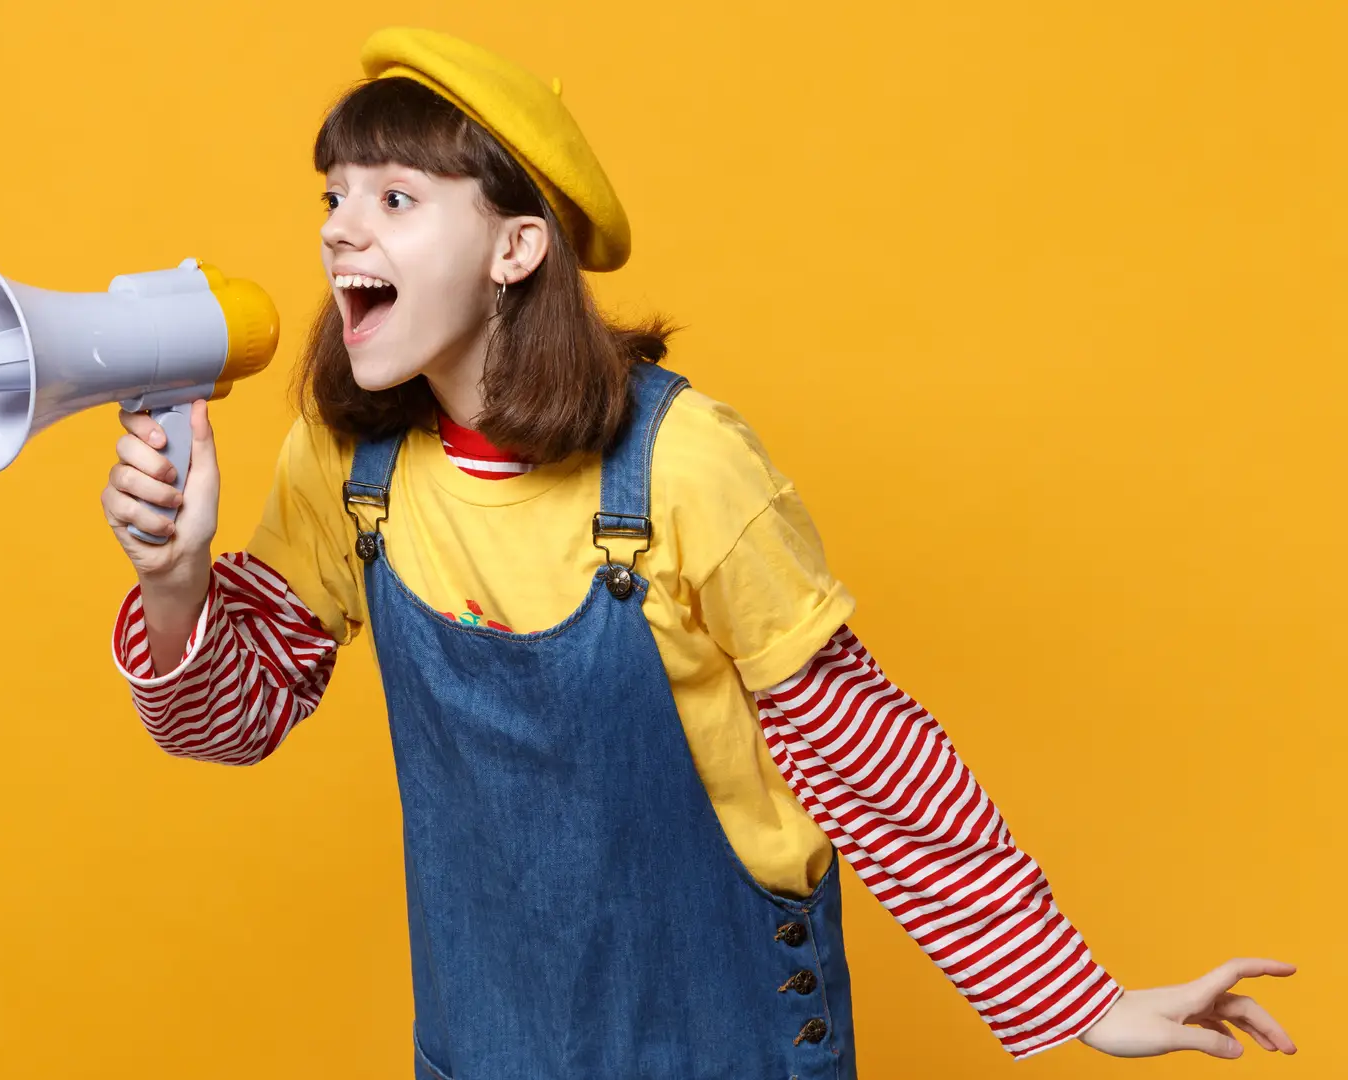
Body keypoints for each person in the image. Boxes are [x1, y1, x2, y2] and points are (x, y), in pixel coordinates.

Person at [97, 26, 1298, 1079]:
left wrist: (1078, 1001)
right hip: (490, 1039)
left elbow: (864, 754)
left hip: (717, 1028)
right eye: (333, 197)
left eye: (395, 199)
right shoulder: (347, 462)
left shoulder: (685, 466)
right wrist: (174, 577)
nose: (340, 229)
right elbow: (228, 724)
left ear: (517, 249)